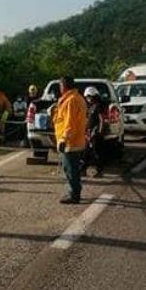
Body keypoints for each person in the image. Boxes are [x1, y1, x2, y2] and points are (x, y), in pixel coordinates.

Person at [53, 76, 87, 204]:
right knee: (73, 169)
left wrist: (63, 139)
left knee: (70, 169)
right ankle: (75, 192)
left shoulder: (71, 100)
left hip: (70, 143)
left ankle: (74, 195)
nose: (60, 88)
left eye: (60, 85)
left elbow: (70, 123)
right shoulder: (76, 98)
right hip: (75, 140)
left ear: (65, 86)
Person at [82, 86, 105, 177]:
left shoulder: (98, 106)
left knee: (96, 153)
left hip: (96, 133)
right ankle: (83, 169)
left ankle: (99, 171)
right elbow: (88, 119)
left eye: (89, 97)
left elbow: (101, 119)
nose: (88, 99)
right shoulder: (90, 107)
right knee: (86, 152)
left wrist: (99, 131)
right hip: (89, 132)